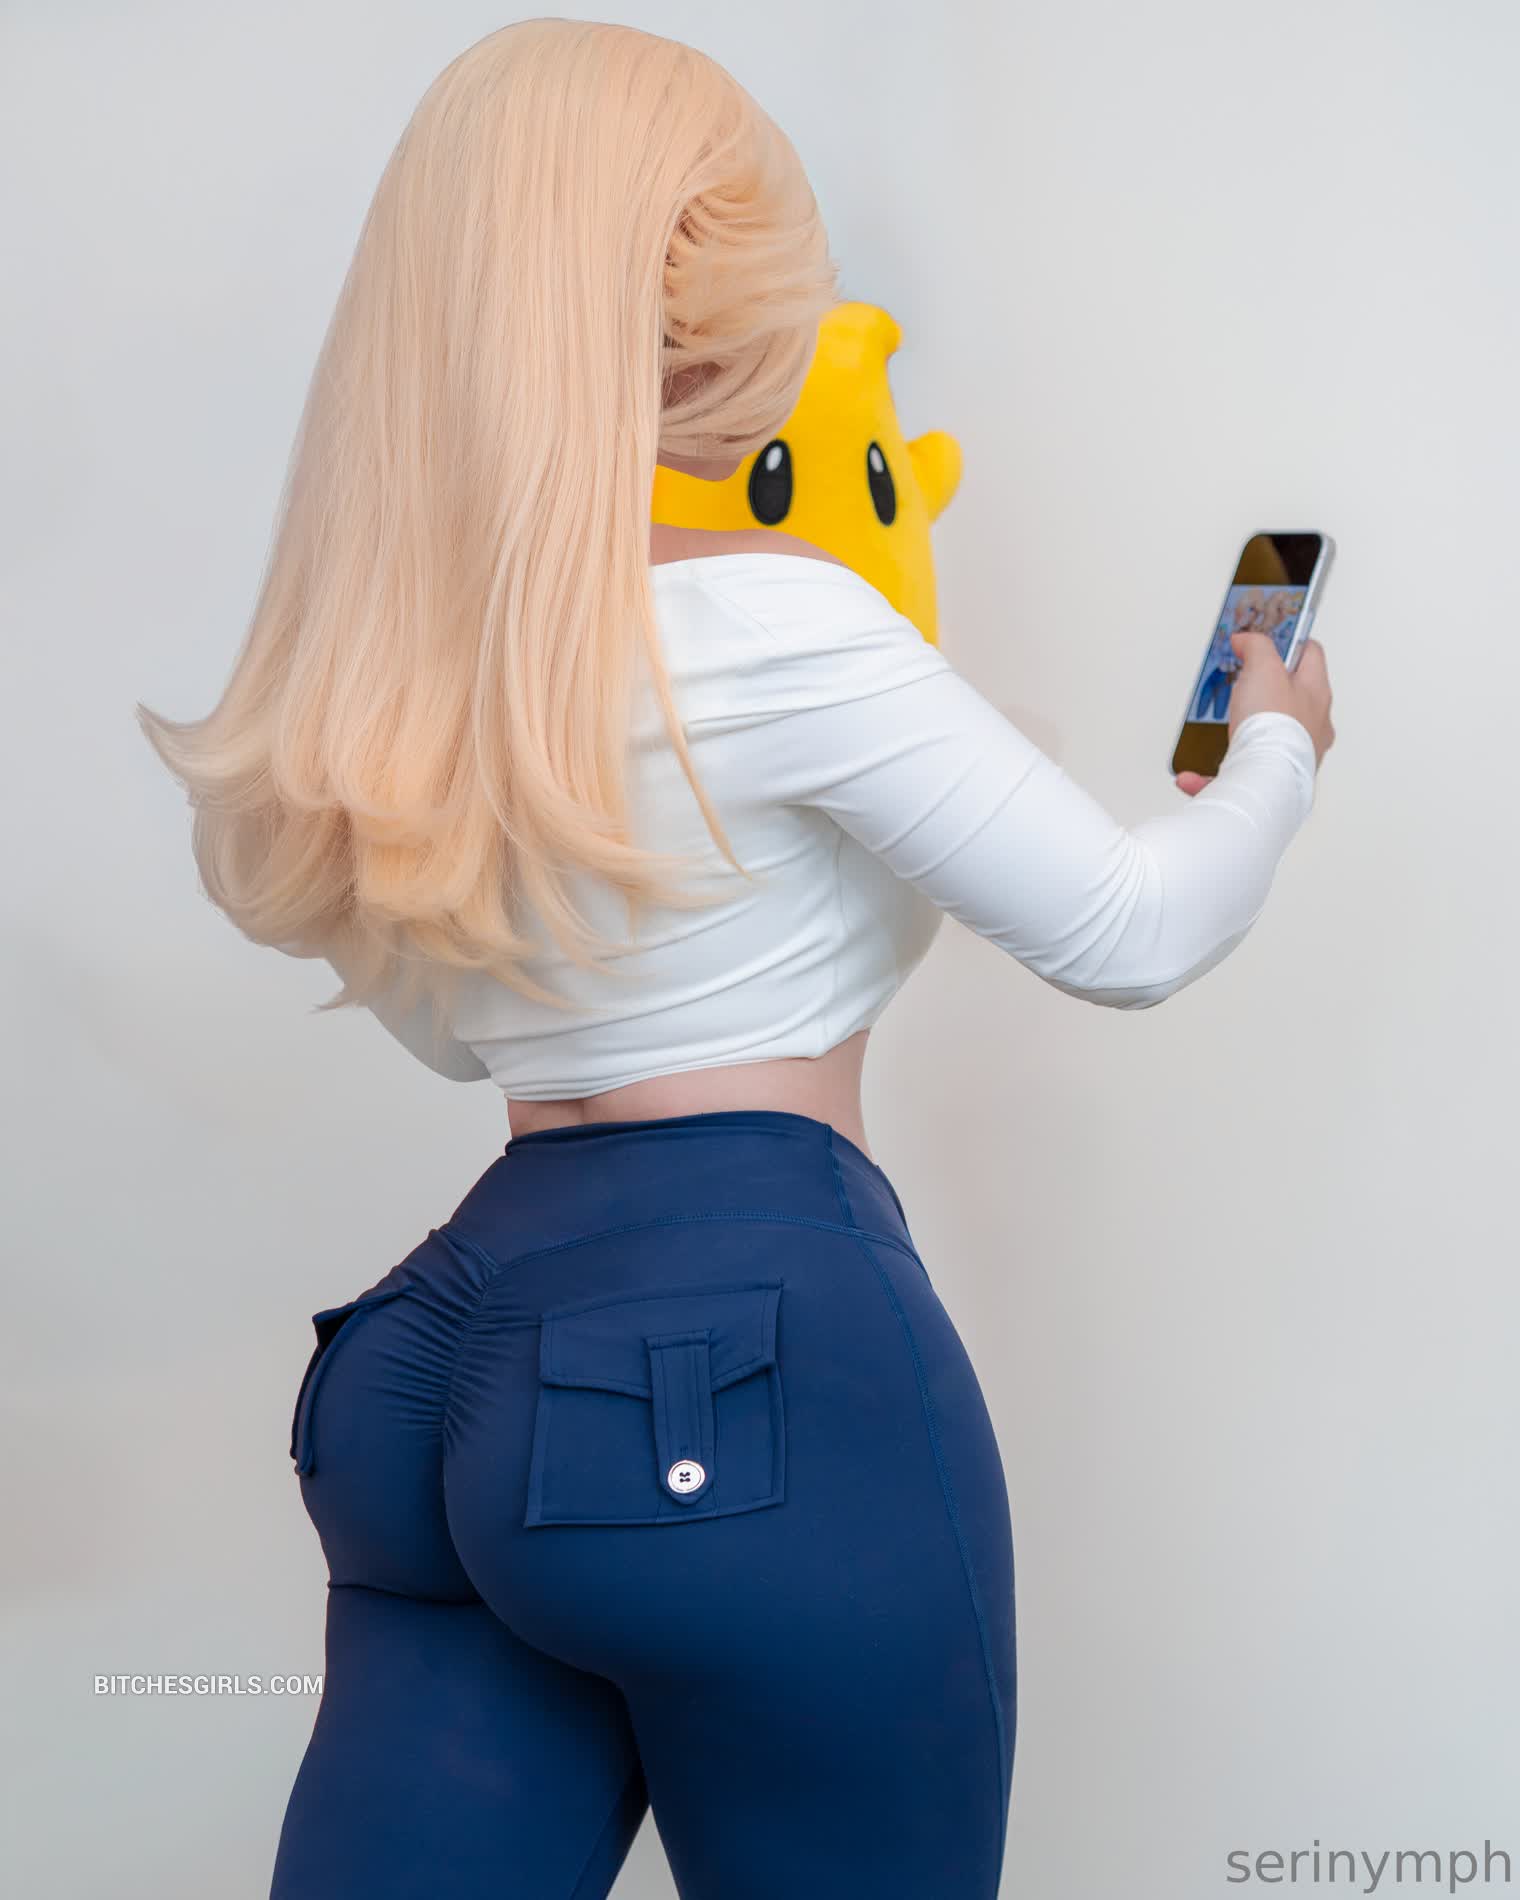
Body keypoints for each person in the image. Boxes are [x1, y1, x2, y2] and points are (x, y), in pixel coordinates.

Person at [136, 20, 1335, 1900]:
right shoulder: (781, 624)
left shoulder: (407, 690)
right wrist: (1277, 745)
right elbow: (1133, 927)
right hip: (748, 1357)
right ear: (702, 316)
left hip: (430, 1378)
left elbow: (470, 1036)